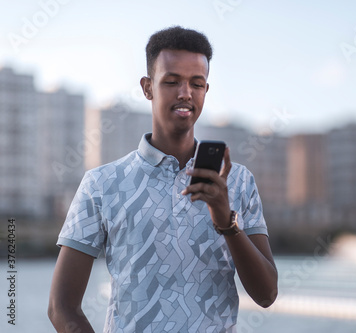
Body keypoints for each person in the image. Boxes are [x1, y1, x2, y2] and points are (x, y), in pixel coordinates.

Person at [48, 26, 278, 333]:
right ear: (147, 88)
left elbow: (267, 295)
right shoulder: (101, 183)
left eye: (197, 83)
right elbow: (61, 307)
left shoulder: (238, 182)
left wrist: (226, 222)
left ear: (205, 91)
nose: (185, 93)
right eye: (172, 81)